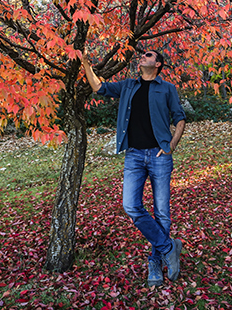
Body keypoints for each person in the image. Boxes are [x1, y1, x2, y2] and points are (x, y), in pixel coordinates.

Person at [80, 49, 187, 287]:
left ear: (158, 63)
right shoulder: (128, 85)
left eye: (148, 55)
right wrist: (86, 62)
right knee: (130, 205)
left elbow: (179, 117)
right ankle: (170, 246)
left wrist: (171, 145)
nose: (142, 57)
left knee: (161, 213)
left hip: (159, 155)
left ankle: (156, 262)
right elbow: (99, 87)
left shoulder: (167, 88)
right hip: (134, 156)